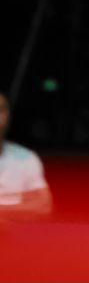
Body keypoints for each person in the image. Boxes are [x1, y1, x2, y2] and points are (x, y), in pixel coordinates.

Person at [0, 92, 53, 223]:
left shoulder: (26, 158)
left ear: (8, 116)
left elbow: (44, 205)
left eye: (1, 110)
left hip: (15, 231)